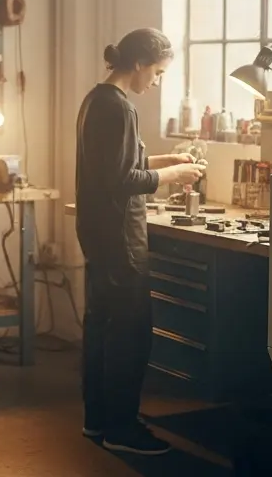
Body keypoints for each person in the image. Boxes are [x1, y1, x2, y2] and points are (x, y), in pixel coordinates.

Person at [75, 28, 206, 455]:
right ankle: (122, 429)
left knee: (101, 332)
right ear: (139, 64)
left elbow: (114, 163)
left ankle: (98, 422)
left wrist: (166, 161)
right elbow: (121, 179)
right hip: (120, 241)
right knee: (130, 338)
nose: (157, 81)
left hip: (98, 236)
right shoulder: (121, 109)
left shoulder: (96, 100)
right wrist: (174, 177)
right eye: (159, 72)